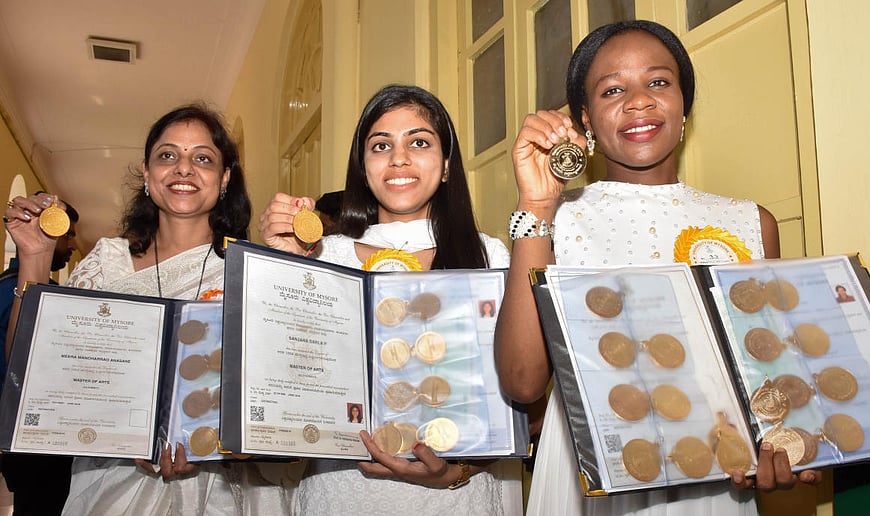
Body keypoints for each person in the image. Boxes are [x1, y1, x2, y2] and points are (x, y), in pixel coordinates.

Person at [494, 20, 822, 515]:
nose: (639, 101)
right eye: (612, 90)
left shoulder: (751, 222)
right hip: (589, 481)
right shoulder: (556, 218)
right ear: (585, 119)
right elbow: (521, 380)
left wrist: (781, 447)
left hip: (717, 475)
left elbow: (765, 369)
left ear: (684, 104)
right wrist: (536, 206)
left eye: (658, 82)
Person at [3, 104, 297, 515]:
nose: (184, 168)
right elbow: (35, 368)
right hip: (114, 481)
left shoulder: (254, 272)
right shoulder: (108, 261)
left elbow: (279, 389)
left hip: (229, 489)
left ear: (225, 177)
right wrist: (34, 257)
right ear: (146, 171)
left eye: (203, 158)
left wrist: (211, 441)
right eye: (168, 155)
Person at [259, 84, 521, 514]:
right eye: (381, 146)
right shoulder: (325, 254)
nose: (399, 158)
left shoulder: (488, 255)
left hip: (456, 497)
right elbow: (285, 380)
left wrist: (457, 473)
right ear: (363, 168)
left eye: (419, 142)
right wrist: (279, 269)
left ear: (448, 164)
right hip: (341, 491)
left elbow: (517, 395)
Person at [0, 194, 78, 516]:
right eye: (69, 233)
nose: (73, 242)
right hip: (33, 435)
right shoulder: (12, 290)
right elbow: (24, 359)